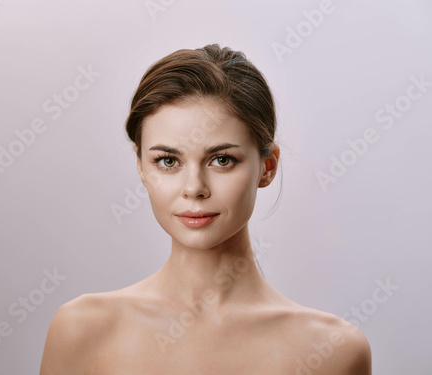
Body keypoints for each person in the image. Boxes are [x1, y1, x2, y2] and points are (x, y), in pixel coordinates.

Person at [39, 44, 372, 374]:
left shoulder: (334, 351)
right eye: (168, 161)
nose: (194, 188)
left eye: (221, 160)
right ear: (141, 166)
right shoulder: (82, 331)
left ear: (267, 167)